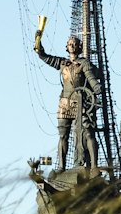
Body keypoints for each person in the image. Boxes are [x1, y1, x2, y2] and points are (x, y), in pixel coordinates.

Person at [35, 33, 101, 171]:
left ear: (79, 47)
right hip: (65, 102)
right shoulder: (62, 63)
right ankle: (61, 166)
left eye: (74, 43)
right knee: (63, 135)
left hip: (82, 101)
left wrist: (96, 88)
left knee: (88, 132)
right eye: (70, 44)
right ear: (67, 47)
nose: (72, 45)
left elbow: (91, 78)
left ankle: (93, 166)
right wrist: (38, 43)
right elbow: (46, 57)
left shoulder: (84, 64)